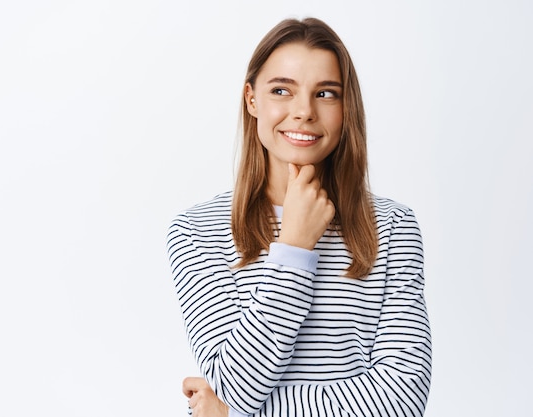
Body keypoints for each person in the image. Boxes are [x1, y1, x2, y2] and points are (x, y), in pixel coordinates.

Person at [166, 17, 432, 417]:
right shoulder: (195, 232)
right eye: (281, 91)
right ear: (252, 99)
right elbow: (238, 388)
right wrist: (293, 248)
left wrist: (231, 412)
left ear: (347, 107)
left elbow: (401, 400)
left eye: (326, 93)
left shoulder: (393, 227)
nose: (304, 111)